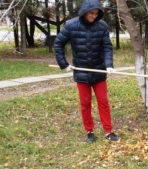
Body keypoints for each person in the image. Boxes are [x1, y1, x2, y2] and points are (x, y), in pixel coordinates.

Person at [54, 0, 119, 143]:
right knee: (85, 103)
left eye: (96, 13)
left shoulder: (102, 26)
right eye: (92, 13)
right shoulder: (71, 25)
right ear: (84, 12)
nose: (94, 16)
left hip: (99, 70)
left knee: (103, 101)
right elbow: (58, 43)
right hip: (81, 72)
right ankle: (89, 131)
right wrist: (63, 64)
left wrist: (108, 64)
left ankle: (109, 131)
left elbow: (107, 46)